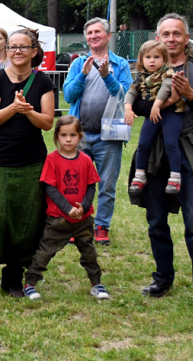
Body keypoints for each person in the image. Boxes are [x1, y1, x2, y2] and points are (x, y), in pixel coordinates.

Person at [129, 13, 193, 305]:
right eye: (165, 34)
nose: (171, 39)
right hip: (155, 152)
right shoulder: (147, 67)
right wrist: (166, 101)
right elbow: (140, 104)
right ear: (158, 37)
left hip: (186, 152)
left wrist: (191, 95)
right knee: (156, 220)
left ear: (186, 37)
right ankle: (163, 278)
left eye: (177, 34)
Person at [0, 29, 55, 304]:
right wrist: (13, 109)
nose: (17, 51)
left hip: (31, 161)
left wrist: (27, 110)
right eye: (13, 47)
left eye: (23, 47)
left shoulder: (43, 81)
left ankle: (13, 280)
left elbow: (48, 122)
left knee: (25, 220)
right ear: (7, 51)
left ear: (33, 51)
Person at [63, 17, 133, 245]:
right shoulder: (77, 63)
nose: (93, 36)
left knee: (107, 184)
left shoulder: (120, 64)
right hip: (80, 133)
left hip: (110, 133)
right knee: (77, 183)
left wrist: (107, 76)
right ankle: (79, 224)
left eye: (97, 32)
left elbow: (124, 96)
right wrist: (83, 74)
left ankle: (102, 226)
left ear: (108, 35)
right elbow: (68, 95)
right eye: (89, 33)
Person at [23, 116, 108, 301]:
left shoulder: (85, 160)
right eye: (63, 135)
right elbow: (50, 188)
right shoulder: (52, 160)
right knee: (45, 252)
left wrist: (83, 207)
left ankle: (96, 284)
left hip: (83, 220)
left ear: (80, 137)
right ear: (56, 137)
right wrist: (67, 208)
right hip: (57, 220)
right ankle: (30, 283)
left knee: (89, 253)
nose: (68, 139)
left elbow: (91, 186)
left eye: (72, 135)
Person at [125, 41, 186, 195]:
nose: (152, 61)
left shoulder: (168, 72)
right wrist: (127, 108)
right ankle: (139, 175)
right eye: (148, 57)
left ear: (164, 59)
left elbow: (166, 87)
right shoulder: (141, 75)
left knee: (171, 142)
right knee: (143, 143)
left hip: (171, 111)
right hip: (154, 113)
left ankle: (175, 177)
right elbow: (132, 92)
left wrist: (157, 105)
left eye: (157, 57)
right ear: (141, 60)